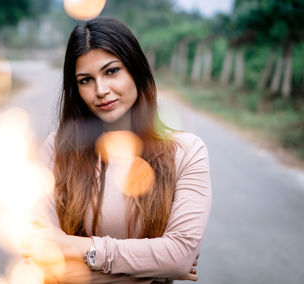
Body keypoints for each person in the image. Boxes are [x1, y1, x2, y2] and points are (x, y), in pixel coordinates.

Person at [23, 17, 212, 283]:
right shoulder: (58, 149)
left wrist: (75, 247)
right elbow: (38, 254)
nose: (101, 90)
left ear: (136, 70)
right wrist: (154, 266)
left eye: (111, 71)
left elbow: (178, 256)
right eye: (86, 80)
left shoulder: (185, 151)